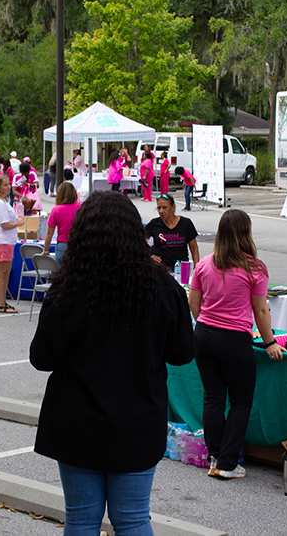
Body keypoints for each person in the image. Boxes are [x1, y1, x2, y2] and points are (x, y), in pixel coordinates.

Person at [30, 191, 196, 536]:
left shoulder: (66, 291)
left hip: (77, 420)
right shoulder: (163, 289)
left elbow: (41, 358)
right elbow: (182, 353)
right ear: (137, 233)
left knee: (81, 518)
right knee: (133, 517)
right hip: (139, 419)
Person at [189, 209, 285, 479]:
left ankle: (215, 456)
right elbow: (261, 311)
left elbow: (194, 304)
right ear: (246, 233)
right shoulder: (254, 268)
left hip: (204, 335)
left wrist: (208, 323)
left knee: (213, 398)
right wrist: (270, 342)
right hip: (234, 340)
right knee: (241, 401)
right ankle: (228, 464)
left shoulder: (205, 264)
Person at [0, 174, 25, 313]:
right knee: (1, 273)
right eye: (5, 185)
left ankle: (2, 301)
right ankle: (0, 304)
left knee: (5, 273)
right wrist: (18, 223)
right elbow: (5, 225)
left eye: (9, 184)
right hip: (1, 241)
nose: (8, 187)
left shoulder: (2, 202)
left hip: (5, 241)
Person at [146, 194, 199, 270]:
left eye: (165, 208)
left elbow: (194, 248)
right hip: (161, 270)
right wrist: (149, 257)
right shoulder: (154, 224)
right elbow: (138, 242)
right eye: (159, 208)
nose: (161, 211)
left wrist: (196, 268)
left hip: (182, 270)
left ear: (173, 207)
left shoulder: (186, 223)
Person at [41, 182, 81, 267]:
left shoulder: (56, 210)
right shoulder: (81, 207)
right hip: (78, 243)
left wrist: (45, 250)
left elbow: (49, 233)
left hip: (62, 244)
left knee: (62, 273)